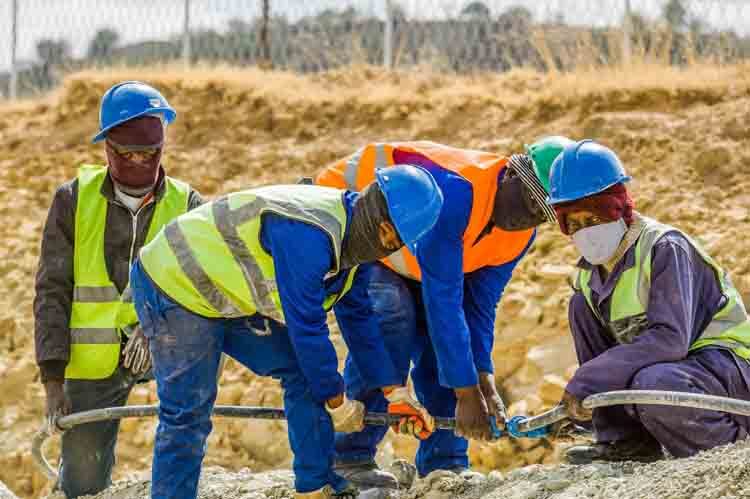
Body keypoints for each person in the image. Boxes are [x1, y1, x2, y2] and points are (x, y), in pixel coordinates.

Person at [129, 165, 444, 499]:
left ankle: (315, 487)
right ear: (372, 207)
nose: (387, 245)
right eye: (387, 234)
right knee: (188, 412)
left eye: (394, 243)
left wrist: (395, 394)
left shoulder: (352, 244)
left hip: (224, 292)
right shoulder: (309, 233)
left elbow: (359, 319)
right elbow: (306, 327)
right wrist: (337, 402)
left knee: (305, 374)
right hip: (175, 282)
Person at [316, 139, 567, 487]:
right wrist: (465, 394)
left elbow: (478, 306)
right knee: (393, 317)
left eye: (543, 213)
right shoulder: (458, 193)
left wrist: (483, 379)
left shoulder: (519, 235)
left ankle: (444, 466)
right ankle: (347, 459)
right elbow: (442, 299)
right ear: (510, 174)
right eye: (529, 203)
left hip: (413, 257)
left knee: (450, 350)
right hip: (362, 224)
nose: (530, 217)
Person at [34, 81, 203, 498]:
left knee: (183, 447)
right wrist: (53, 380)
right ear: (107, 148)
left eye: (150, 153)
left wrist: (154, 325)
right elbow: (51, 291)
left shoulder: (187, 204)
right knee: (84, 480)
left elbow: (203, 290)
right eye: (127, 154)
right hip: (93, 363)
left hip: (165, 348)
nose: (140, 163)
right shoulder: (73, 201)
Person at [548, 139, 750, 464]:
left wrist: (587, 379)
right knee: (581, 308)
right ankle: (625, 441)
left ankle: (734, 456)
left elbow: (670, 341)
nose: (585, 231)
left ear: (617, 209)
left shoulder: (664, 248)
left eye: (594, 219)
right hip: (677, 370)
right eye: (575, 223)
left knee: (654, 384)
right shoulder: (588, 277)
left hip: (728, 368)